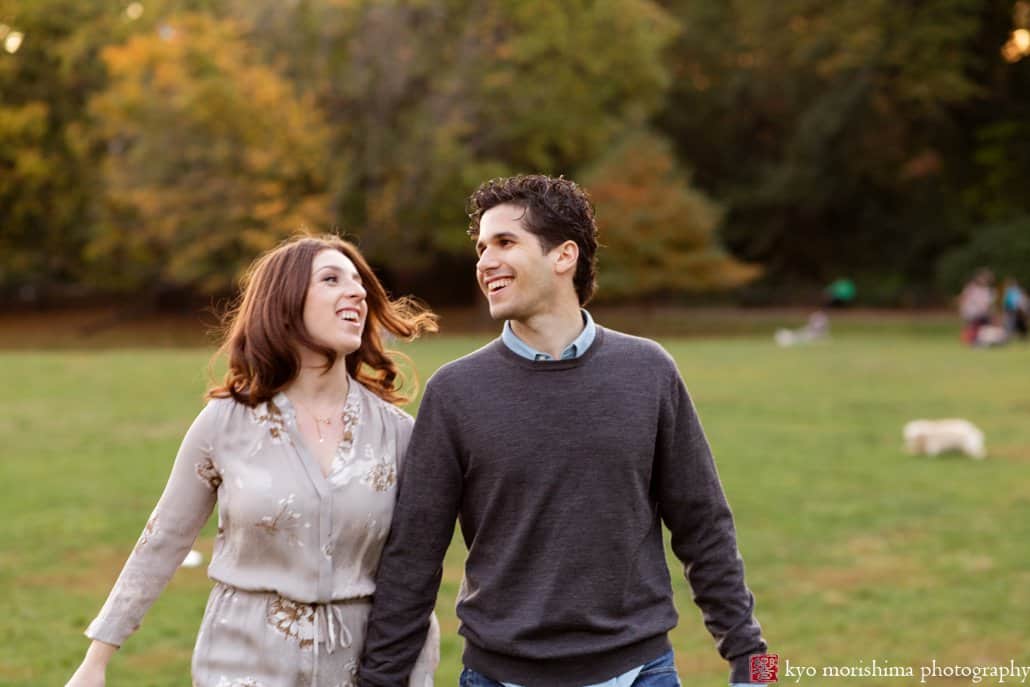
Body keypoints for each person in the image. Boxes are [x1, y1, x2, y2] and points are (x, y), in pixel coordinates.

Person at [358, 175, 768, 687]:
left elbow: (705, 526)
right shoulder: (455, 392)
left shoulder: (649, 371)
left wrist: (758, 666)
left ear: (564, 256)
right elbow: (413, 557)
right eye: (481, 247)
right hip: (498, 676)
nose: (484, 262)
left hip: (641, 672)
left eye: (505, 242)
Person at [66, 235, 440, 687]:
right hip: (241, 664)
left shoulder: (398, 432)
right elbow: (163, 538)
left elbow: (414, 573)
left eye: (360, 282)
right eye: (331, 279)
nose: (358, 292)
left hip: (359, 668)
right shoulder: (224, 423)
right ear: (285, 302)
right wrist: (97, 660)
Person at [957, 269, 995, 345]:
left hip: (981, 313)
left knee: (982, 326)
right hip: (972, 312)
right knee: (973, 326)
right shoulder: (971, 288)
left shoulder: (988, 291)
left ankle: (981, 340)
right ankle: (973, 340)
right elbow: (963, 299)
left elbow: (988, 305)